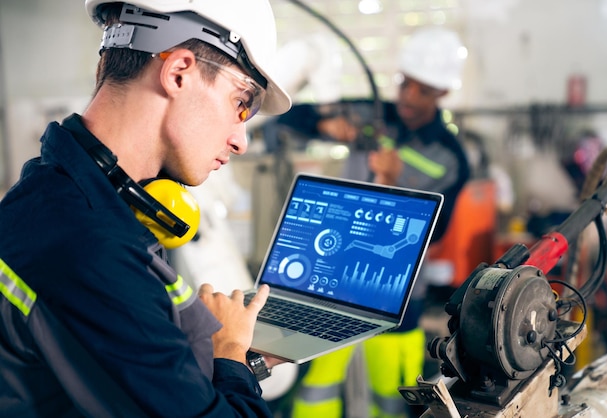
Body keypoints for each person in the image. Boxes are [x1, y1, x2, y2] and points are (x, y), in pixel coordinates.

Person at [0, 0, 291, 416]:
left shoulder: (60, 190)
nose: (240, 140)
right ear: (178, 72)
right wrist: (229, 357)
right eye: (241, 103)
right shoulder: (89, 249)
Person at [273, 27, 471, 417]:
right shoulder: (373, 115)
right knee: (316, 383)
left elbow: (439, 230)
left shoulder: (451, 155)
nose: (408, 97)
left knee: (392, 396)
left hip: (397, 295)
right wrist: (328, 123)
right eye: (405, 83)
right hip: (333, 279)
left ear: (442, 94)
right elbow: (286, 115)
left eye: (423, 90)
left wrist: (398, 179)